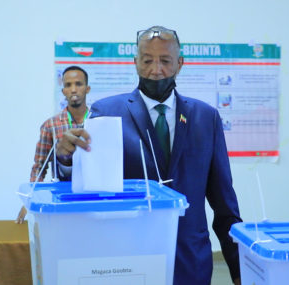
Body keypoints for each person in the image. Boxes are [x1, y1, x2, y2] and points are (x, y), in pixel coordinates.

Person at [56, 26, 242, 285]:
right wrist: (66, 159)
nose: (156, 70)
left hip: (191, 261)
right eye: (147, 61)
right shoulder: (107, 113)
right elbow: (88, 188)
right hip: (128, 258)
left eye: (165, 61)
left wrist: (238, 268)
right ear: (135, 63)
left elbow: (224, 203)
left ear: (180, 63)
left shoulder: (206, 118)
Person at [16, 65, 91, 223]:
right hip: (62, 199)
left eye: (78, 84)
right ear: (63, 91)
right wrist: (30, 199)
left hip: (93, 196)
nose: (73, 89)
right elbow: (39, 166)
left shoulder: (98, 120)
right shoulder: (51, 125)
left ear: (87, 88)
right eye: (68, 85)